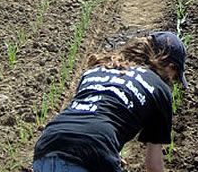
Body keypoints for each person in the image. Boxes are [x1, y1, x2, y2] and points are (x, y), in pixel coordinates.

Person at [33, 31, 188, 172]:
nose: (172, 82)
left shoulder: (96, 71)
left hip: (46, 147)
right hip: (95, 153)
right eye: (175, 76)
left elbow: (93, 113)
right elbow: (154, 166)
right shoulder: (159, 88)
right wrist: (102, 153)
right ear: (170, 66)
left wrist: (109, 152)